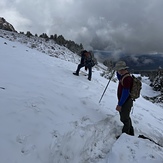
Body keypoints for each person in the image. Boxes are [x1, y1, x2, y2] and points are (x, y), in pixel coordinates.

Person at [113, 61, 134, 136]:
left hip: (126, 101)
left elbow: (125, 93)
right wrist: (116, 71)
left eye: (118, 69)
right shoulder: (124, 76)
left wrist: (120, 104)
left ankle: (125, 135)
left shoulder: (127, 79)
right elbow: (119, 78)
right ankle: (131, 132)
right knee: (126, 117)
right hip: (126, 100)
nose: (118, 71)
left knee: (124, 119)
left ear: (122, 69)